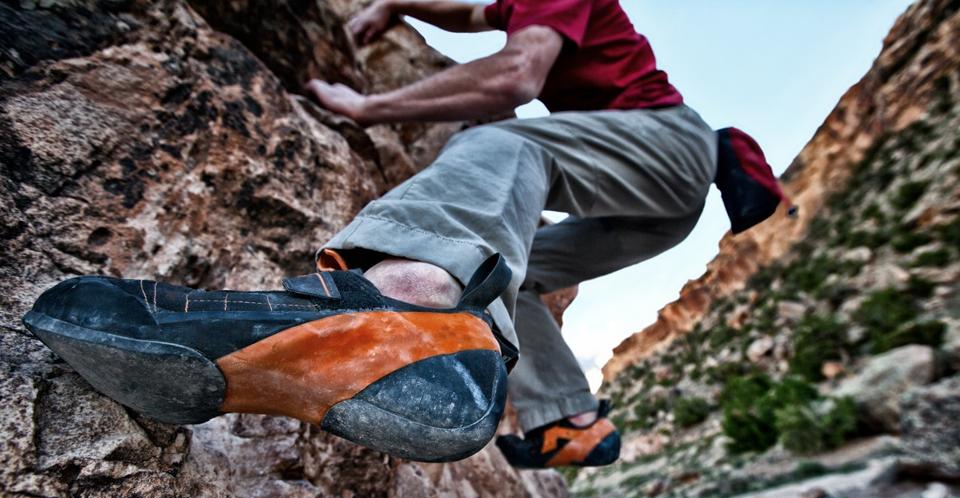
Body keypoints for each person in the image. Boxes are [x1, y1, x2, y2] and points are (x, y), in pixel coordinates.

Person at [24, 0, 788, 469]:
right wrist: (402, 7)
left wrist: (363, 108)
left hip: (667, 143)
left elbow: (514, 78)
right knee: (501, 277)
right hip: (660, 214)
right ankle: (571, 424)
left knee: (505, 139)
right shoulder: (527, 1)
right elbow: (470, 15)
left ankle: (406, 300)